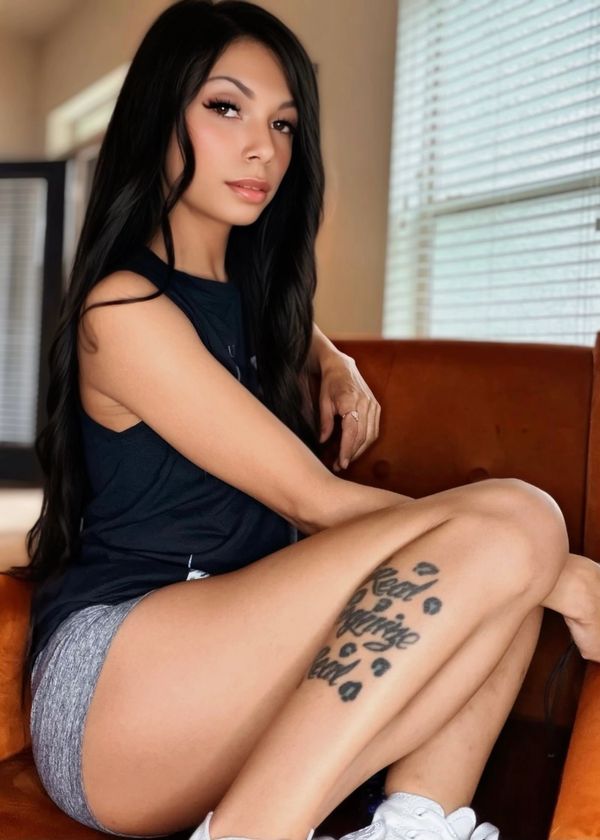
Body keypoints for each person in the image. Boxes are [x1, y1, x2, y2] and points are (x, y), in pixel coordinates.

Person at [4, 2, 599, 840]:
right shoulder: (123, 311)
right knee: (521, 525)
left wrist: (330, 357)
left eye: (283, 123)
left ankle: (413, 825)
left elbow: (255, 315)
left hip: (230, 686)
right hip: (116, 697)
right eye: (226, 108)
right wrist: (558, 571)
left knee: (497, 590)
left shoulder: (259, 305)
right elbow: (315, 501)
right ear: (157, 117)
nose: (264, 147)